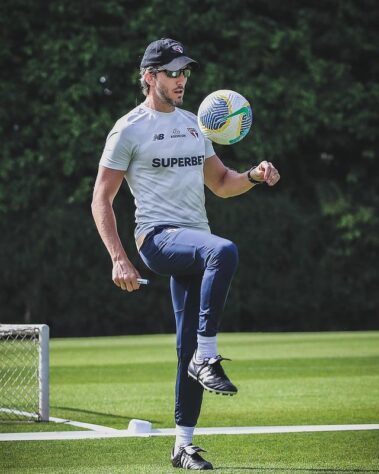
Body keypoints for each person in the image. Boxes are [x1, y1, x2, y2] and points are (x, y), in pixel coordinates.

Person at [92, 38, 280, 471]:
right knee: (225, 251)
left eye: (185, 72)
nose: (181, 80)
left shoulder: (197, 124)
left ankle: (183, 445)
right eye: (172, 72)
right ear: (149, 77)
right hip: (156, 240)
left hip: (195, 243)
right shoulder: (128, 128)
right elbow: (101, 198)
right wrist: (119, 257)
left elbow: (221, 183)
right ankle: (207, 355)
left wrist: (252, 174)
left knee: (185, 349)